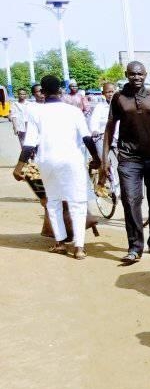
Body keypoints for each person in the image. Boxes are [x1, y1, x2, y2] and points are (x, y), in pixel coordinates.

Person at [13, 75, 101, 259]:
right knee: (77, 203)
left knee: (53, 202)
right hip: (72, 161)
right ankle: (79, 248)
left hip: (47, 162)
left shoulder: (36, 112)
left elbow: (29, 144)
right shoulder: (73, 111)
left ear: (42, 92)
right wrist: (96, 158)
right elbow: (86, 138)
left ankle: (60, 243)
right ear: (60, 90)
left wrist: (19, 167)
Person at [100, 61, 150, 264]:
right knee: (131, 200)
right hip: (129, 158)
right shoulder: (118, 97)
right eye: (133, 74)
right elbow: (110, 127)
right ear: (126, 74)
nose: (137, 77)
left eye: (140, 74)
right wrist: (104, 159)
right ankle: (135, 247)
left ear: (145, 74)